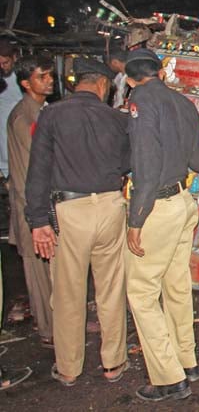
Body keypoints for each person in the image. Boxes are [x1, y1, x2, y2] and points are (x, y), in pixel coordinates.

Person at [25, 57, 130, 387]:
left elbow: (38, 170)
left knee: (68, 292)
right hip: (111, 208)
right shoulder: (118, 118)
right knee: (111, 290)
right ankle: (113, 363)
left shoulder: (51, 115)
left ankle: (69, 368)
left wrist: (38, 219)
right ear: (101, 84)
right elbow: (128, 162)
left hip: (70, 212)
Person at [124, 48, 199, 402]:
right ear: (159, 71)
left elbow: (145, 162)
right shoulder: (183, 102)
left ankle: (168, 378)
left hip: (156, 206)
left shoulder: (140, 100)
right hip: (183, 203)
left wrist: (136, 219)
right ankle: (186, 360)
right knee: (176, 285)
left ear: (129, 78)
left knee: (142, 294)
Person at [7, 55, 55, 347]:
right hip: (31, 206)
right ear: (26, 83)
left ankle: (58, 322)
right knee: (38, 275)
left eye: (50, 75)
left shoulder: (43, 110)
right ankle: (49, 330)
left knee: (51, 272)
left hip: (40, 203)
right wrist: (38, 217)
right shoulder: (25, 117)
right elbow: (30, 171)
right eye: (42, 76)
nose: (49, 80)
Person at [0, 39, 23, 180]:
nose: (2, 67)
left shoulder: (23, 77)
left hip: (20, 130)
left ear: (14, 57)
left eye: (5, 63)